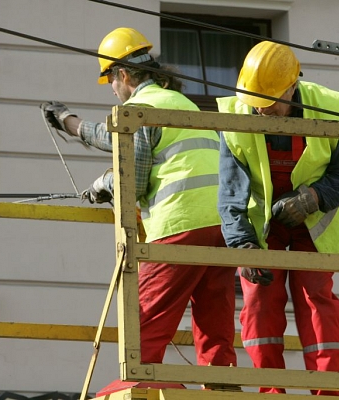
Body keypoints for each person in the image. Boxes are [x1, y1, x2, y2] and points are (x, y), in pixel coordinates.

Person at [43, 27, 238, 390]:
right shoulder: (183, 103)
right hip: (221, 227)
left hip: (179, 223)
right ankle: (222, 387)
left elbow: (135, 182)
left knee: (144, 319)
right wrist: (72, 124)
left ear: (123, 76)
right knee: (215, 320)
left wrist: (104, 184)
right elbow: (115, 137)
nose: (114, 93)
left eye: (111, 83)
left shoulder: (139, 109)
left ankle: (143, 389)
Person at [216, 41, 339, 396]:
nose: (262, 112)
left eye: (270, 103)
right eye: (257, 104)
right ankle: (271, 389)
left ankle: (327, 389)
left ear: (291, 88)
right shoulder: (237, 115)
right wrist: (243, 245)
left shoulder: (326, 107)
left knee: (317, 301)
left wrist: (313, 198)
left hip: (312, 228)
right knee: (258, 302)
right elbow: (230, 191)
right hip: (263, 230)